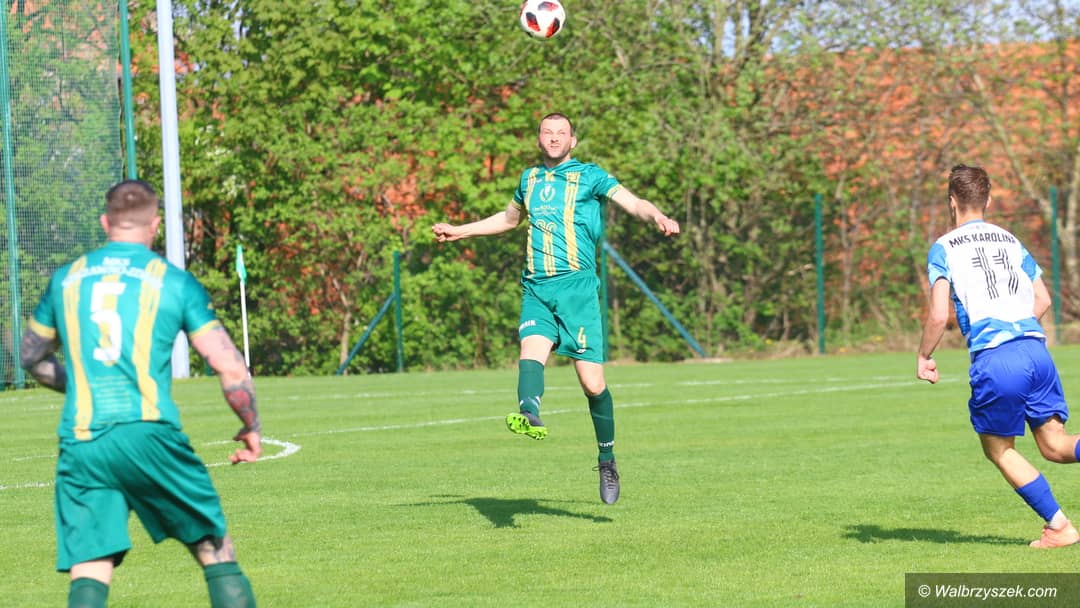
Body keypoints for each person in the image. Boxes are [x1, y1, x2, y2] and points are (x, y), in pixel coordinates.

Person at [19, 180, 261, 607]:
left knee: (90, 564)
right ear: (155, 225)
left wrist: (80, 382)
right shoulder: (173, 282)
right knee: (214, 548)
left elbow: (31, 356)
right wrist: (250, 425)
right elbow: (228, 366)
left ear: (105, 223)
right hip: (150, 434)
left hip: (83, 440)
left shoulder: (66, 279)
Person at [433, 112, 680, 504]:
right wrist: (460, 230)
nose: (553, 138)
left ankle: (607, 458)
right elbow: (509, 219)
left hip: (577, 289)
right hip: (537, 286)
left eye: (561, 133)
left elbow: (634, 203)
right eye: (547, 132)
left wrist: (658, 216)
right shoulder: (528, 179)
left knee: (592, 384)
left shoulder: (590, 176)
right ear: (538, 139)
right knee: (530, 350)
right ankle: (529, 411)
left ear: (572, 141)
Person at [917, 164, 1080, 549]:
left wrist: (924, 355)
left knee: (998, 449)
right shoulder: (1010, 240)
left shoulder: (944, 247)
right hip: (1035, 349)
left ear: (952, 201)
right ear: (988, 200)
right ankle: (1059, 528)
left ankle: (1059, 527)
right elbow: (1043, 299)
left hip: (998, 358)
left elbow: (939, 314)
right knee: (1055, 444)